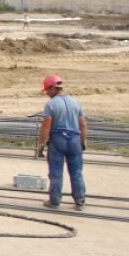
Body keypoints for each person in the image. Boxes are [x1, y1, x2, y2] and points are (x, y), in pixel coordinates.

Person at [36, 74, 88, 210]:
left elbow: (46, 126)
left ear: (53, 88)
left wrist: (41, 146)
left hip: (58, 140)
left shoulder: (51, 105)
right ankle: (80, 201)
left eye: (47, 90)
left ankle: (54, 201)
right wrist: (83, 141)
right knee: (76, 172)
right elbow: (82, 124)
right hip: (75, 139)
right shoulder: (76, 102)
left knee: (56, 172)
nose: (46, 93)